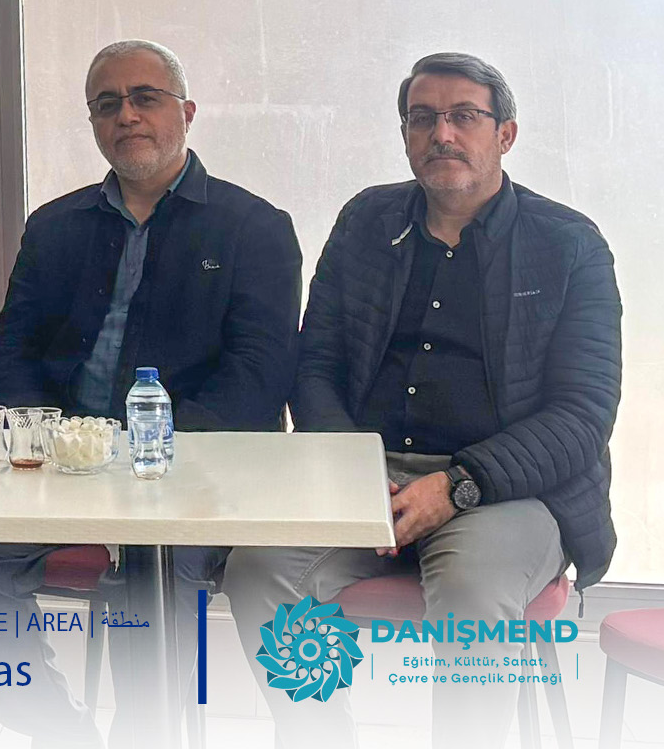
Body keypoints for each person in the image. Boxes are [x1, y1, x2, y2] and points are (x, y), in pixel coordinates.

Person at [225, 53, 621, 749]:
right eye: (422, 118)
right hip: (368, 477)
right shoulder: (366, 222)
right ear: (405, 134)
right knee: (256, 570)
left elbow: (583, 415)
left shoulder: (568, 244)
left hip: (507, 491)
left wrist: (460, 485)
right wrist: (353, 472)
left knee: (471, 592)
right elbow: (314, 365)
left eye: (464, 116)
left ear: (505, 134)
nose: (442, 133)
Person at [0, 39, 302, 746]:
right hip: (58, 469)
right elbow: (10, 353)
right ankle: (61, 732)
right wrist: (46, 441)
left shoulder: (254, 228)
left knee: (152, 583)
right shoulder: (55, 226)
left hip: (187, 480)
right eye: (107, 104)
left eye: (145, 98)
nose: (126, 115)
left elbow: (256, 383)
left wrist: (143, 457)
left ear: (186, 113)